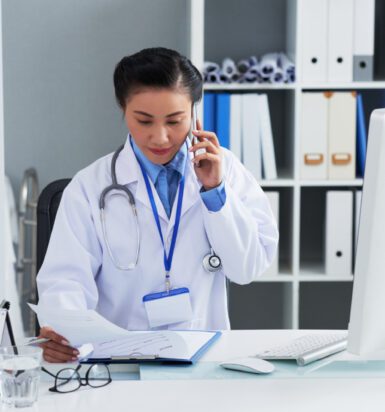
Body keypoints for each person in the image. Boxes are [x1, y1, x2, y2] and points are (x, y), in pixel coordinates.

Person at [36, 47, 279, 363]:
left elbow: (247, 268)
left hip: (205, 360)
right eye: (144, 121)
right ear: (123, 109)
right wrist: (62, 332)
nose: (160, 137)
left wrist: (215, 192)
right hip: (117, 364)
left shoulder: (225, 170)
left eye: (176, 120)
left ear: (193, 111)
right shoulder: (89, 187)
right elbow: (65, 281)